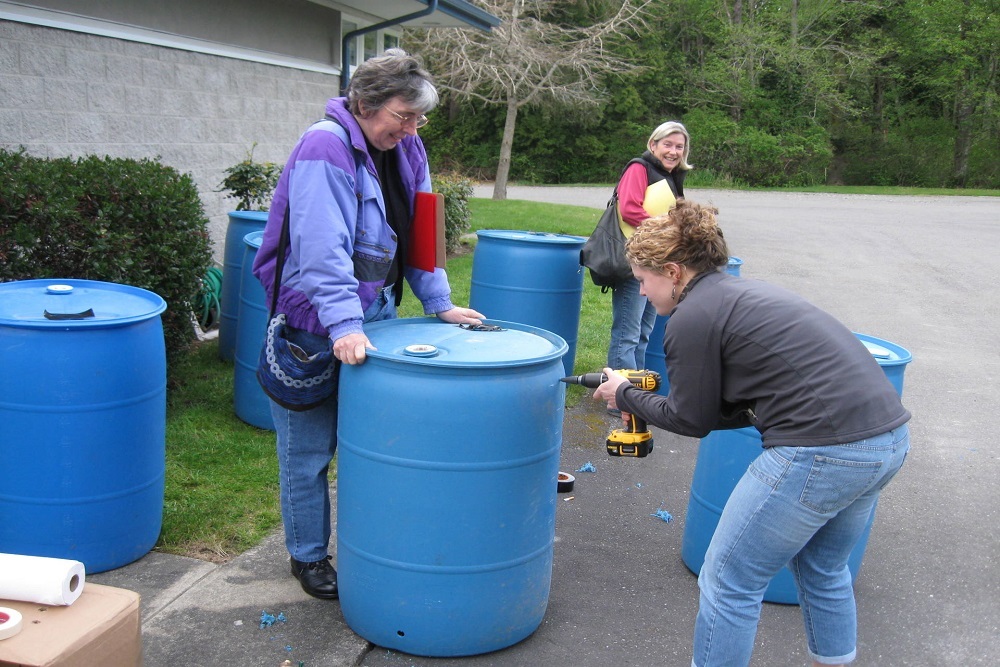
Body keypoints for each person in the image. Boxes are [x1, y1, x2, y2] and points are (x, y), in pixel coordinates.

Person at [592, 201, 911, 667]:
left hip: (821, 453)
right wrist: (639, 398)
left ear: (674, 271)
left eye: (643, 280)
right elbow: (730, 411)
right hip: (886, 442)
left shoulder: (692, 316)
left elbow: (690, 421)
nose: (641, 292)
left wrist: (626, 393)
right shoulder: (742, 295)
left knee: (728, 579)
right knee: (823, 569)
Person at [252, 49, 484, 600]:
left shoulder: (407, 148)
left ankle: (367, 545)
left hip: (373, 313)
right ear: (363, 103)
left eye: (418, 119)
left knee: (365, 444)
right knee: (307, 452)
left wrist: (437, 302)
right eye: (404, 116)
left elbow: (423, 228)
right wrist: (341, 327)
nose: (411, 129)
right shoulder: (324, 146)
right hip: (314, 324)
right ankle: (307, 556)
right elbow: (320, 250)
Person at [607, 121, 691, 389]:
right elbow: (630, 209)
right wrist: (666, 230)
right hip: (636, 262)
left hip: (657, 262)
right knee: (627, 334)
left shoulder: (671, 175)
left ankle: (637, 390)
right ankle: (620, 394)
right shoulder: (639, 168)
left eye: (679, 146)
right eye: (667, 144)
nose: (673, 151)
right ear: (653, 144)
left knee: (643, 333)